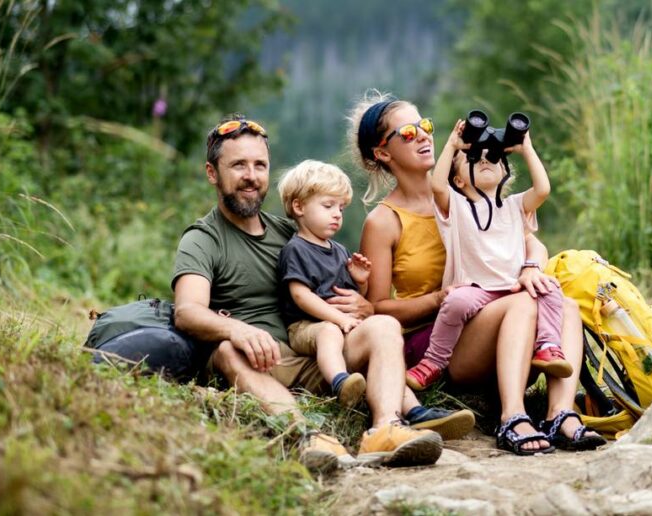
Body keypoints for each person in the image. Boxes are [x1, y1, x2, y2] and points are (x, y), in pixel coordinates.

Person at [171, 115, 473, 471]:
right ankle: (305, 434)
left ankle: (386, 428)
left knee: (384, 326)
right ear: (212, 173)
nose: (251, 176)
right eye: (238, 165)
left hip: (319, 354)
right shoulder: (203, 239)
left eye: (259, 165)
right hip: (260, 360)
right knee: (226, 350)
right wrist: (239, 329)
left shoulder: (290, 231)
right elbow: (187, 311)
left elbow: (338, 283)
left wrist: (362, 303)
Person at [350, 93, 607, 455]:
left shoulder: (466, 186)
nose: (424, 136)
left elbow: (528, 241)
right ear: (382, 153)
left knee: (563, 305)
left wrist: (532, 266)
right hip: (445, 339)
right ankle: (512, 418)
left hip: (497, 321)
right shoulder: (384, 220)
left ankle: (560, 415)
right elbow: (377, 308)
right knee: (522, 304)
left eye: (425, 126)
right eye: (408, 133)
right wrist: (439, 299)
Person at [403, 119, 573, 391]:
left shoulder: (515, 206)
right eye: (474, 158)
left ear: (504, 170)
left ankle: (548, 346)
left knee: (551, 289)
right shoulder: (456, 208)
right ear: (458, 179)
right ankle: (433, 362)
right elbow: (437, 187)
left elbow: (543, 190)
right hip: (476, 289)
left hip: (513, 287)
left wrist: (526, 148)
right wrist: (453, 145)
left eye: (493, 158)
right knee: (455, 301)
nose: (485, 160)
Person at [275, 159, 373, 407]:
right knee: (328, 331)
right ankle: (340, 382)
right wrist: (338, 320)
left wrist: (360, 283)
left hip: (339, 324)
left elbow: (350, 297)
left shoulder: (339, 250)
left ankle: (407, 406)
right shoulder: (296, 249)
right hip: (305, 327)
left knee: (377, 330)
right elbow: (301, 295)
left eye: (341, 208)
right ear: (299, 207)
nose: (337, 214)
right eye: (328, 205)